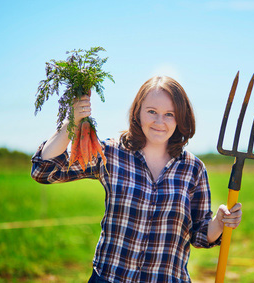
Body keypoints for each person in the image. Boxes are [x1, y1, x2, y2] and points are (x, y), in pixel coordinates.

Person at [31, 76, 243, 282]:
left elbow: (199, 234)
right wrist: (71, 122)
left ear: (180, 118)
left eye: (170, 114)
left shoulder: (193, 168)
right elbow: (45, 170)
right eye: (152, 111)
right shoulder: (111, 153)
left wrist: (219, 222)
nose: (160, 121)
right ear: (138, 113)